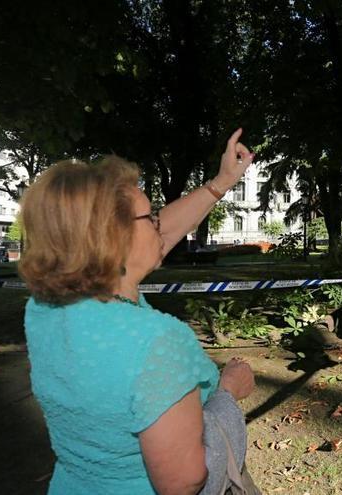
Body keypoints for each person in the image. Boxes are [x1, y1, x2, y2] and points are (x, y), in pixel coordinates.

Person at [19, 129, 257, 494]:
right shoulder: (155, 341)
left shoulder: (43, 310)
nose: (160, 224)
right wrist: (227, 394)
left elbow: (160, 232)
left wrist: (222, 182)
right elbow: (183, 483)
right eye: (150, 217)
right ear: (115, 240)